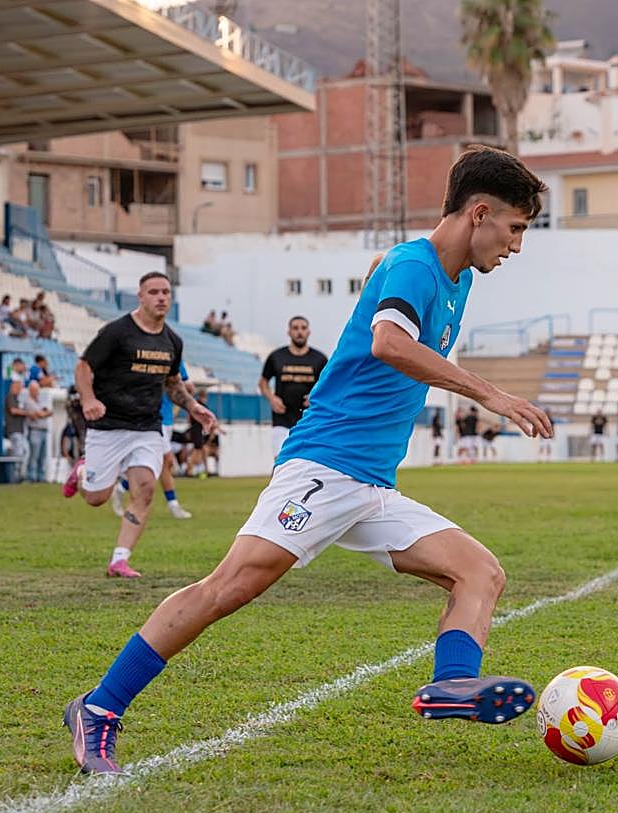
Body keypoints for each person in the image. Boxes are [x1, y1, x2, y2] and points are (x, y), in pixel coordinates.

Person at [62, 145, 551, 775]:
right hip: (324, 466)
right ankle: (99, 709)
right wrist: (491, 394)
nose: (515, 246)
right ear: (480, 213)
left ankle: (453, 683)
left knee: (480, 573)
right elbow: (388, 342)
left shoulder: (446, 278)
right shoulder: (416, 265)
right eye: (515, 229)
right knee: (227, 589)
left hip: (371, 484)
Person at [61, 271, 216, 578]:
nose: (161, 298)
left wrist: (193, 406)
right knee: (96, 498)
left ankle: (119, 559)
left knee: (144, 489)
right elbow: (83, 366)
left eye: (166, 292)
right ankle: (82, 470)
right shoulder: (117, 332)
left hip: (147, 427)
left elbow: (172, 383)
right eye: (154, 292)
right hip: (108, 426)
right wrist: (89, 399)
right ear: (141, 296)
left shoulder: (173, 340)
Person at [112, 361, 194, 519]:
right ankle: (172, 505)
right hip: (152, 418)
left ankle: (122, 488)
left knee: (160, 466)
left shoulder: (174, 354)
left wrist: (187, 391)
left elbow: (185, 383)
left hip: (167, 418)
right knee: (167, 461)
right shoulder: (146, 354)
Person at [259, 316, 329, 458]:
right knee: (280, 460)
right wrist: (272, 398)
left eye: (303, 328)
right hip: (282, 418)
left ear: (308, 332)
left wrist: (315, 397)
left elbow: (329, 385)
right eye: (295, 328)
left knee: (307, 461)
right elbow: (263, 382)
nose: (299, 332)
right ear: (289, 332)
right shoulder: (276, 356)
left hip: (309, 419)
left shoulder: (319, 359)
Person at [20, 381, 53, 482]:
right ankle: (32, 477)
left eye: (37, 390)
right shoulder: (28, 402)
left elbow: (49, 411)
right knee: (34, 456)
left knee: (42, 457)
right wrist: (43, 413)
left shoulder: (39, 401)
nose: (37, 392)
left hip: (43, 431)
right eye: (34, 390)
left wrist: (42, 413)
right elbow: (41, 414)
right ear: (30, 391)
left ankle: (41, 477)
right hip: (35, 431)